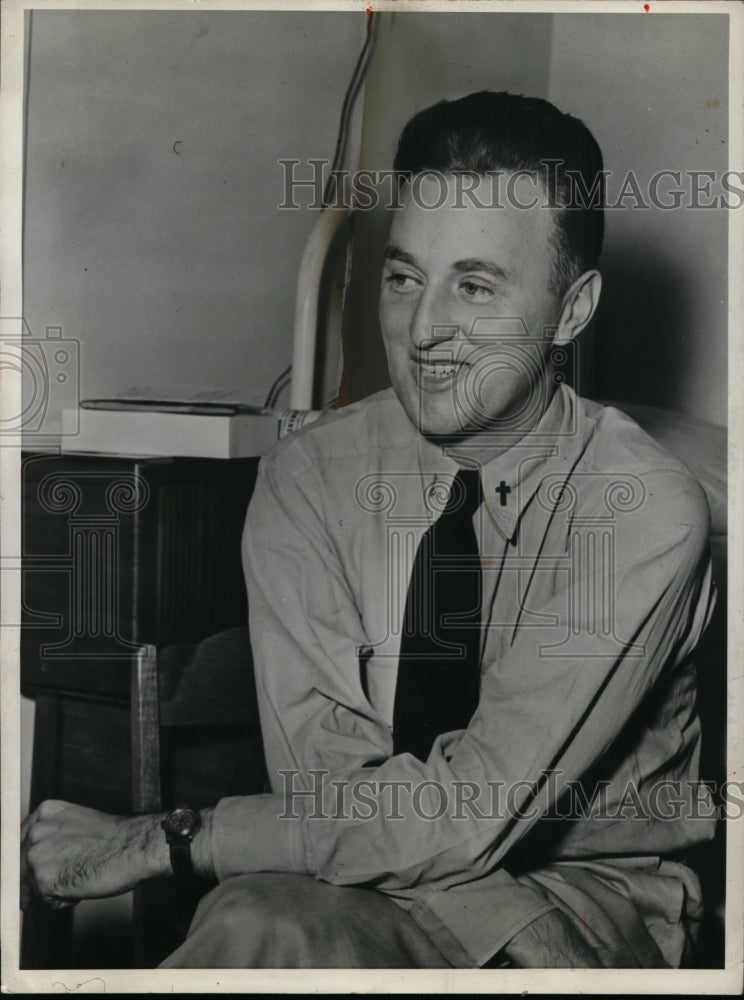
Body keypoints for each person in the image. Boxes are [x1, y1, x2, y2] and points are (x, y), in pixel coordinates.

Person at [21, 91, 717, 969]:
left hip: (583, 903)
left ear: (572, 311)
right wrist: (493, 911)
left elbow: (464, 814)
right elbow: (330, 801)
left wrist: (171, 838)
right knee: (259, 926)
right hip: (369, 884)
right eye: (403, 278)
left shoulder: (640, 507)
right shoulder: (311, 479)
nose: (423, 330)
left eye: (474, 287)